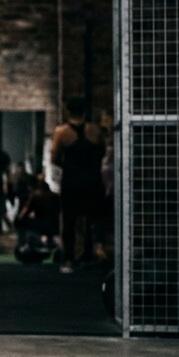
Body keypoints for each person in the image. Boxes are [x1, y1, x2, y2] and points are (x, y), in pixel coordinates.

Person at [50, 98, 105, 273]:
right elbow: (101, 152)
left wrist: (69, 165)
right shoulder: (95, 130)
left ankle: (69, 259)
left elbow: (54, 158)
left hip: (72, 181)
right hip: (93, 180)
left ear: (67, 111)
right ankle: (89, 254)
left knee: (69, 220)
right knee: (92, 218)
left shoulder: (61, 132)